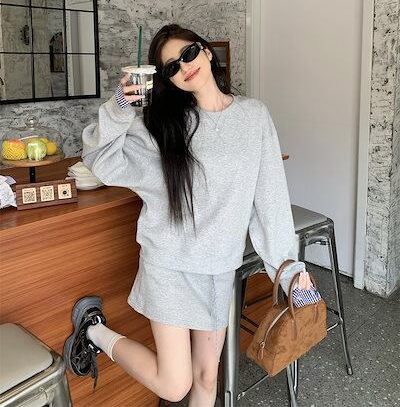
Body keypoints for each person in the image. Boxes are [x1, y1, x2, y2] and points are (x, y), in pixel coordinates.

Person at [63, 24, 321, 406]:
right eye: (171, 67)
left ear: (206, 52)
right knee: (174, 385)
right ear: (168, 79)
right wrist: (120, 104)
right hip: (169, 266)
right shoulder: (163, 129)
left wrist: (289, 270)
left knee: (206, 377)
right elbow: (99, 157)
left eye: (188, 54)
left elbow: (270, 200)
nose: (184, 66)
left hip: (219, 269)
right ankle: (95, 333)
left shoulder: (254, 116)